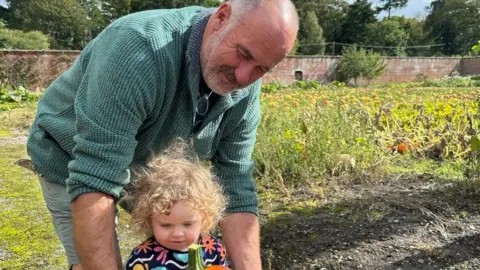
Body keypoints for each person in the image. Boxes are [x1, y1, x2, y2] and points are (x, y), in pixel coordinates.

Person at [25, 0, 299, 269]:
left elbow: (235, 183)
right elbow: (95, 176)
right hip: (70, 155)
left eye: (261, 69)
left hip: (148, 164)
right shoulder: (136, 49)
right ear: (221, 17)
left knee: (167, 249)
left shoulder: (245, 89)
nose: (243, 78)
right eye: (243, 53)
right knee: (90, 262)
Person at [123, 139, 229, 269]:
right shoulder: (142, 258)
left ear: (205, 217)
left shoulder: (214, 249)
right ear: (149, 220)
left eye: (187, 224)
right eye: (166, 225)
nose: (177, 233)